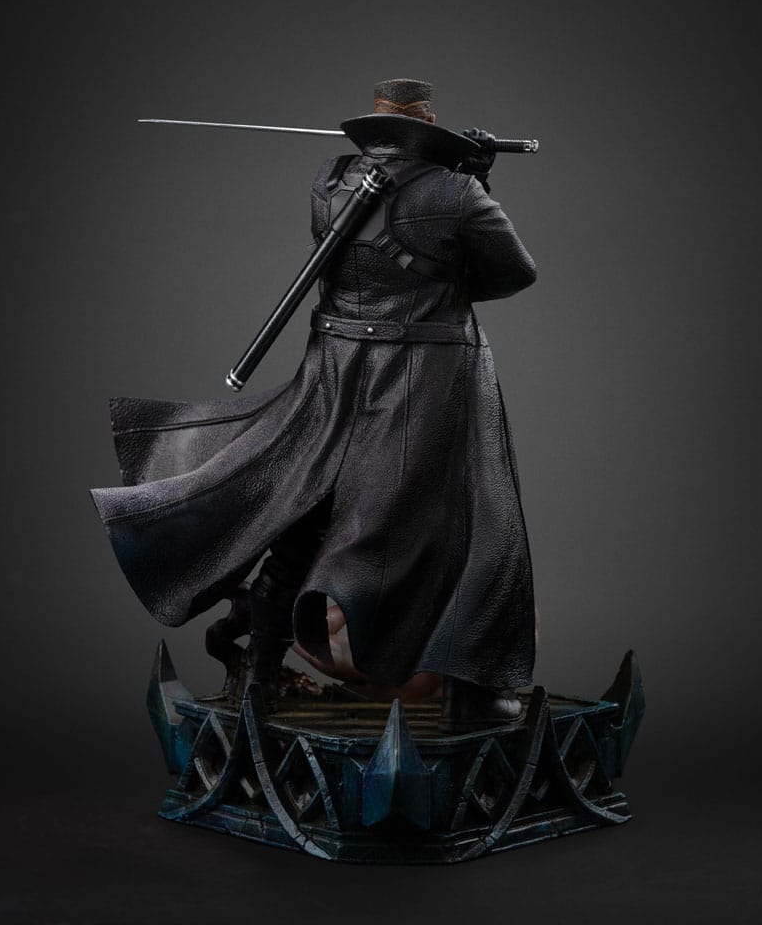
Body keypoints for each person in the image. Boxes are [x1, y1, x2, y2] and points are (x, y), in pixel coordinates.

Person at [91, 79, 537, 732]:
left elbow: (369, 257)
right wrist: (475, 182)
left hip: (335, 369)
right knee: (469, 523)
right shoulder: (456, 192)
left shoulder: (329, 182)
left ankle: (260, 675)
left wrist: (465, 179)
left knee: (306, 506)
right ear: (428, 126)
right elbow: (512, 272)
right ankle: (472, 695)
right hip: (425, 380)